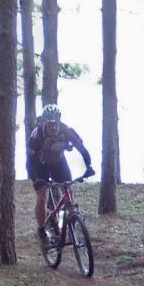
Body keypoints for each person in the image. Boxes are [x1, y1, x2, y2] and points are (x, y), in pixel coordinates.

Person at [26, 104, 94, 249]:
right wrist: (36, 178)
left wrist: (89, 166)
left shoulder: (66, 131)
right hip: (40, 165)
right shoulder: (37, 135)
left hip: (58, 162)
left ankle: (72, 220)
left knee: (68, 191)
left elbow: (82, 149)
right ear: (45, 123)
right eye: (50, 125)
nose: (53, 128)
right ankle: (41, 230)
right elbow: (29, 161)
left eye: (55, 124)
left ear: (59, 122)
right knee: (42, 196)